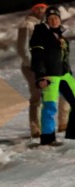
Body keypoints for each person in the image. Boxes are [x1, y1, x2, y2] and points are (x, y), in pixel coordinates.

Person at [30, 5, 75, 144]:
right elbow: (37, 56)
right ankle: (48, 139)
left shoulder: (60, 35)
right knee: (50, 107)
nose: (54, 21)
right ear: (46, 21)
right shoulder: (40, 34)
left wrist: (69, 73)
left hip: (65, 74)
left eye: (56, 18)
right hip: (50, 76)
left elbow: (64, 57)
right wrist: (40, 76)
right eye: (51, 19)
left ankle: (73, 133)